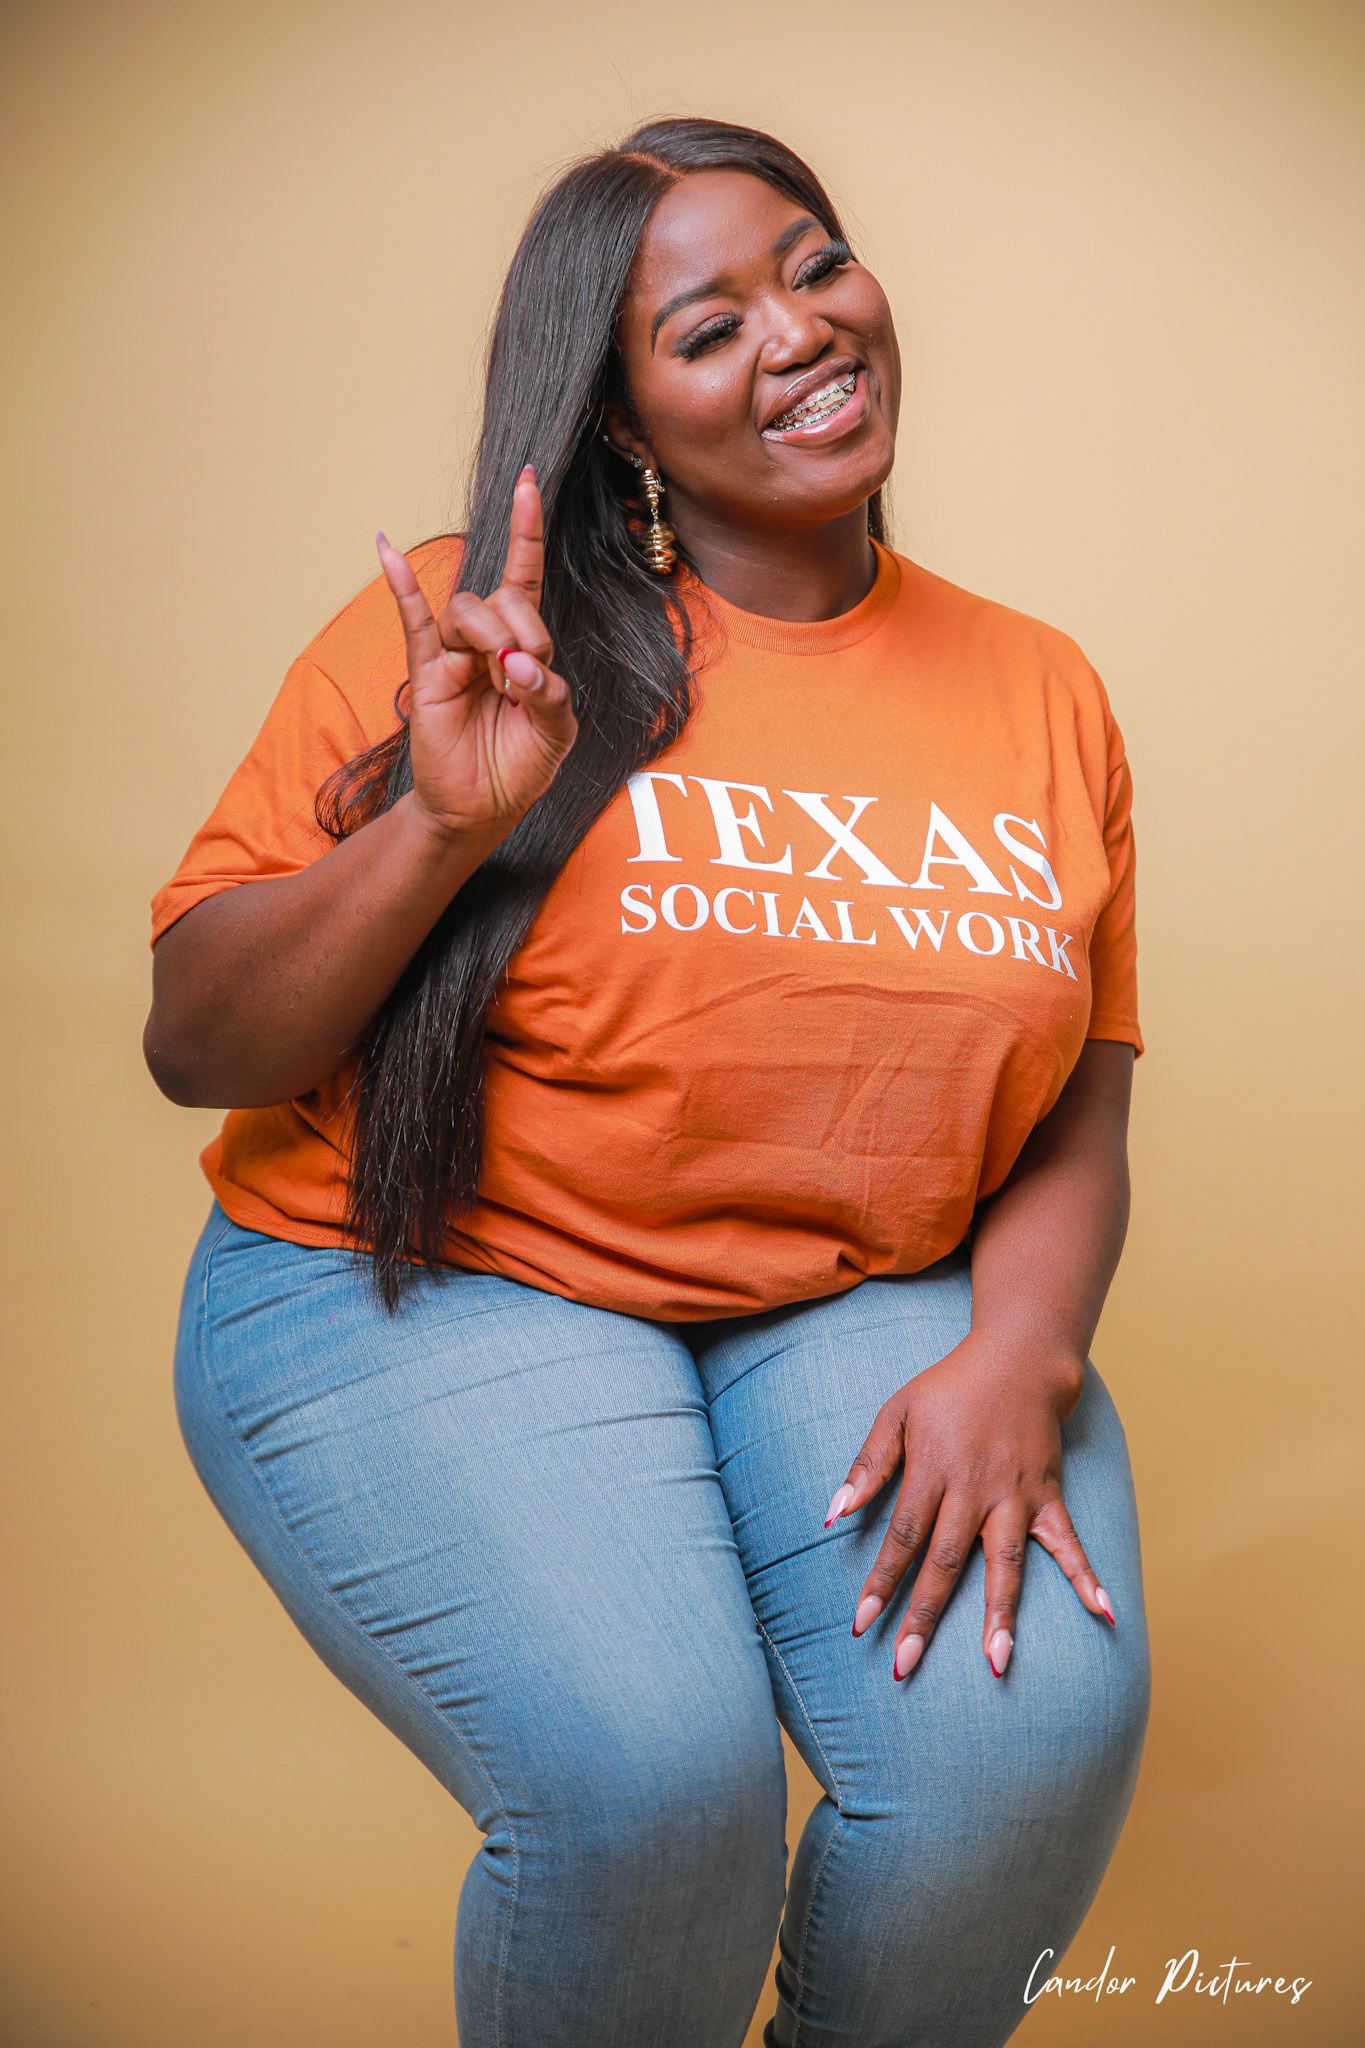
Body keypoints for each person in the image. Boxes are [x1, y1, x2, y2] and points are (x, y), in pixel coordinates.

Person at [144, 115, 1151, 2048]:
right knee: (653, 1788)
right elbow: (201, 1043)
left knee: (1020, 1754)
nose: (798, 330)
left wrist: (1021, 1354)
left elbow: (1076, 1098)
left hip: (839, 1295)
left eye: (814, 264)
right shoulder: (474, 625)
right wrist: (439, 827)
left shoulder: (1042, 687)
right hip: (435, 1274)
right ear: (621, 421)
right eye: (707, 328)